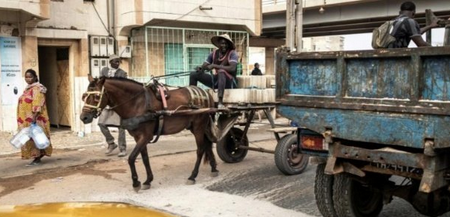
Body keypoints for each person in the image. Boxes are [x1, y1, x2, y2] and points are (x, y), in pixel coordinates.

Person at [189, 34, 238, 108]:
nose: (224, 45)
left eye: (226, 44)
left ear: (228, 45)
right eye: (222, 43)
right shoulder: (214, 53)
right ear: (218, 44)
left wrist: (214, 66)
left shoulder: (232, 53)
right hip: (217, 80)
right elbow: (205, 65)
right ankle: (193, 99)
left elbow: (232, 68)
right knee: (193, 74)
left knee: (221, 71)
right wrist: (201, 68)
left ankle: (220, 102)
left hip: (230, 82)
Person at [17, 69, 53, 166]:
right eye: (26, 77)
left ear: (35, 77)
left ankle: (37, 157)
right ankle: (37, 156)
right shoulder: (28, 88)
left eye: (30, 77)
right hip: (26, 118)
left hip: (34, 118)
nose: (28, 79)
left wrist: (34, 117)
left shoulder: (37, 88)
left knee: (35, 137)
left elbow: (37, 104)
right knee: (33, 137)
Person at [98, 55, 127, 157]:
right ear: (110, 62)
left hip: (117, 103)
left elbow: (123, 88)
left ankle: (122, 148)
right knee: (101, 123)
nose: (117, 63)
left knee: (121, 127)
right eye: (115, 62)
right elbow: (100, 83)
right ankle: (111, 143)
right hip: (107, 103)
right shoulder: (104, 71)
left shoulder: (122, 73)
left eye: (118, 62)